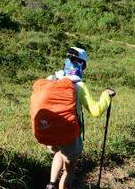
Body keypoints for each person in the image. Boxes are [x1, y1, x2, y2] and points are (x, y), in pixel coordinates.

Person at [46, 47, 116, 189]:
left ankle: (51, 184)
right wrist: (106, 96)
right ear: (82, 65)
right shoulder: (79, 85)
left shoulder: (51, 78)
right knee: (69, 170)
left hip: (50, 130)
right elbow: (96, 111)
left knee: (59, 152)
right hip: (69, 132)